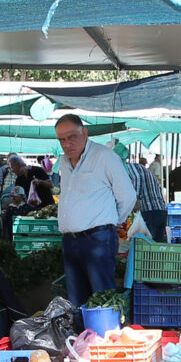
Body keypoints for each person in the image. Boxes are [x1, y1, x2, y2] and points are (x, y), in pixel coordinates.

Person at [52, 113, 136, 308]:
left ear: (85, 133)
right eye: (62, 139)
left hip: (97, 239)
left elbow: (128, 196)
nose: (67, 143)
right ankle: (82, 338)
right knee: (76, 302)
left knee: (102, 301)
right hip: (70, 241)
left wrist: (111, 222)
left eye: (72, 136)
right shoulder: (64, 161)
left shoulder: (104, 156)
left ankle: (104, 338)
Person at [126, 150, 169, 241]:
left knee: (148, 245)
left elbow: (137, 178)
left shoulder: (129, 167)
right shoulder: (140, 168)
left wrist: (137, 199)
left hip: (150, 212)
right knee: (155, 246)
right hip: (160, 210)